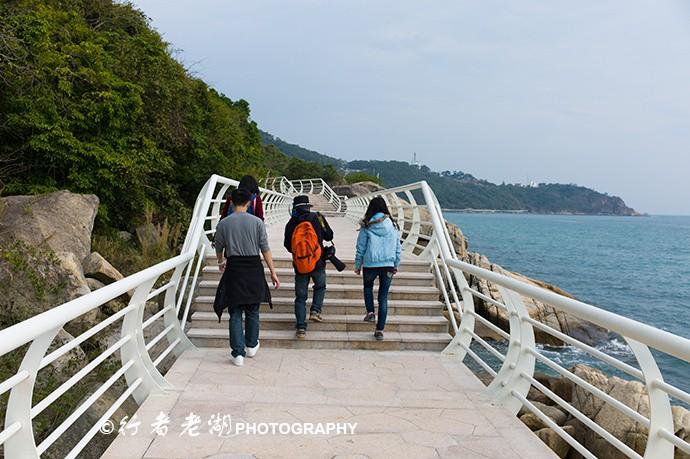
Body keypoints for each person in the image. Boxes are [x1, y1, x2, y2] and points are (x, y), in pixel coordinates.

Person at [213, 188, 279, 366]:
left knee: (235, 311)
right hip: (253, 268)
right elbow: (265, 248)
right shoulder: (257, 222)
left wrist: (220, 262)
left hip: (234, 268)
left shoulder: (224, 223)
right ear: (249, 202)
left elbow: (218, 246)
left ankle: (238, 354)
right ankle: (251, 345)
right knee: (253, 309)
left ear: (232, 202)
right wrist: (273, 272)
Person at [283, 195, 334, 339]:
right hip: (318, 262)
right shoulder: (317, 218)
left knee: (300, 297)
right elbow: (329, 235)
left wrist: (300, 254)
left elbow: (287, 245)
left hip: (300, 265)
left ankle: (301, 328)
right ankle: (315, 311)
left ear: (295, 208)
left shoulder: (291, 223)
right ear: (308, 207)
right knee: (320, 286)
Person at [354, 197, 402, 341]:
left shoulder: (367, 225)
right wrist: (396, 264)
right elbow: (398, 248)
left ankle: (370, 313)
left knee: (368, 288)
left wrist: (358, 265)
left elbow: (360, 247)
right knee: (383, 298)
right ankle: (380, 330)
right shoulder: (393, 225)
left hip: (370, 264)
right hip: (388, 265)